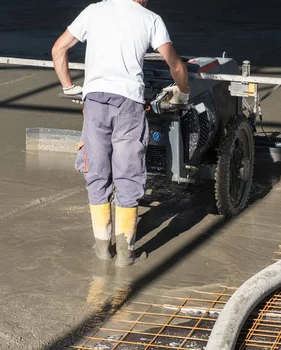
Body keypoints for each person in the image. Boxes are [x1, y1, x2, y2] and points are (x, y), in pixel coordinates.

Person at [51, 0, 189, 266]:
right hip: (129, 103)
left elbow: (59, 49)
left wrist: (70, 87)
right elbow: (176, 65)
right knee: (128, 173)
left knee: (97, 171)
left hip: (94, 102)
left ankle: (102, 249)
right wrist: (183, 93)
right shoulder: (150, 19)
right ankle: (125, 255)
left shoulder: (93, 11)